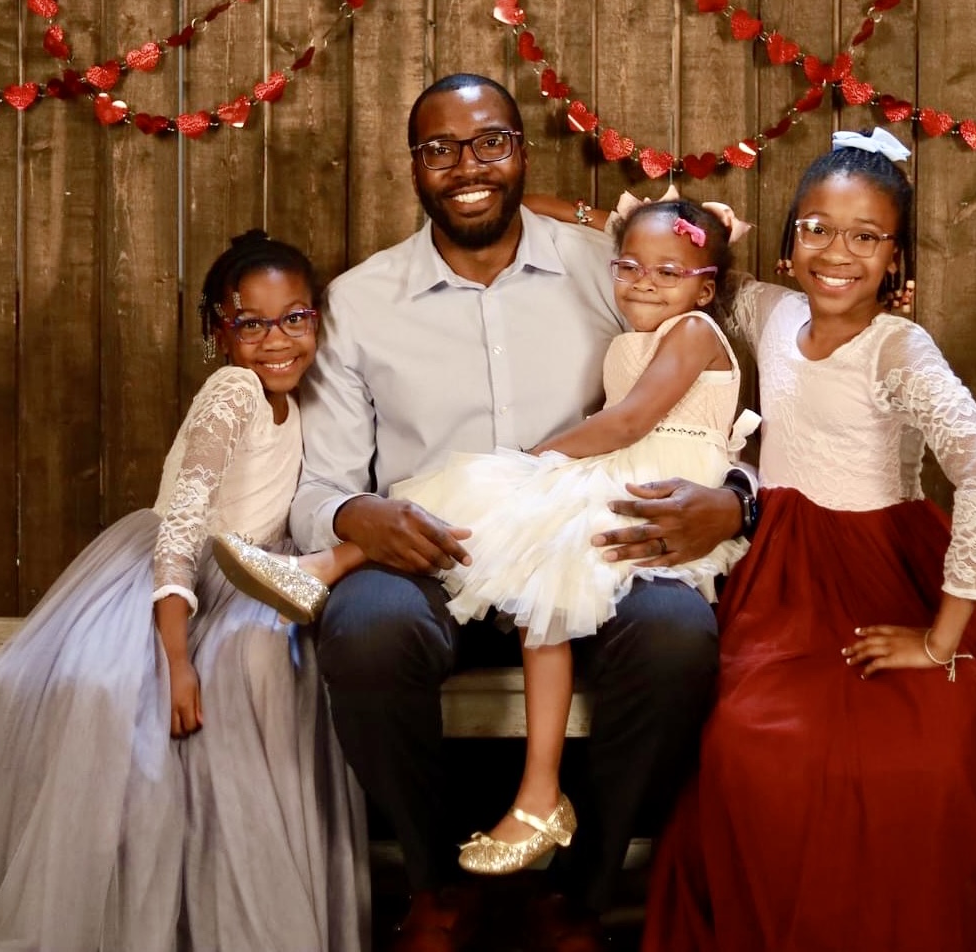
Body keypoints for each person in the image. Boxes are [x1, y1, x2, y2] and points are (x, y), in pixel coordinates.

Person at [287, 73, 749, 952]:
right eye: (441, 149)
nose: (469, 166)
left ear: (521, 151)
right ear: (415, 168)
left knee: (677, 634)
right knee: (366, 628)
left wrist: (734, 502)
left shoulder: (609, 268)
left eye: (490, 142)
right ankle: (432, 890)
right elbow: (322, 482)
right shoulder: (360, 302)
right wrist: (355, 517)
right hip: (437, 557)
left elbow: (714, 365)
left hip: (592, 544)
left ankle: (581, 896)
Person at [641, 130, 976, 951]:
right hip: (785, 575)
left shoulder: (900, 349)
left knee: (916, 752)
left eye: (866, 237)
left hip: (880, 568)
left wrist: (940, 641)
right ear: (790, 239)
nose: (837, 252)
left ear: (895, 259)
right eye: (817, 228)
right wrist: (692, 228)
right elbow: (693, 269)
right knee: (750, 744)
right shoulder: (769, 308)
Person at [0, 231, 369, 952]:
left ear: (318, 320)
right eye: (252, 323)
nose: (277, 340)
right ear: (217, 330)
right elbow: (180, 529)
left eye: (295, 318)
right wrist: (176, 658)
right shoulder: (233, 390)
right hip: (176, 580)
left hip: (248, 570)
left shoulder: (295, 395)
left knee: (267, 668)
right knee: (188, 706)